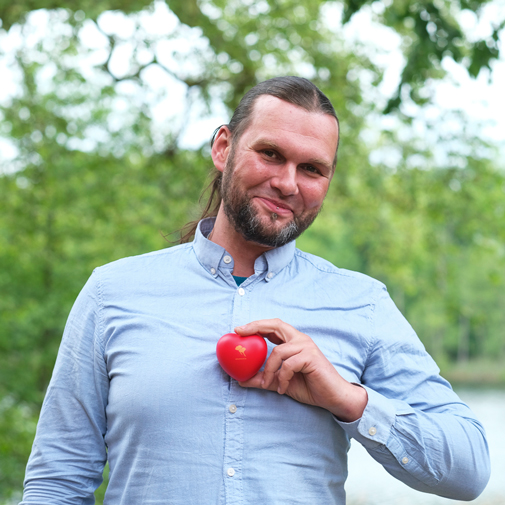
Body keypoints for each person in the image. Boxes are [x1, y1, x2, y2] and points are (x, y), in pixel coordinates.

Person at [21, 76, 490, 504]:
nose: (287, 183)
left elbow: (469, 470)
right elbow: (57, 482)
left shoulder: (362, 305)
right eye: (270, 154)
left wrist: (348, 400)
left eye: (311, 168)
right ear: (223, 147)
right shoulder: (112, 293)